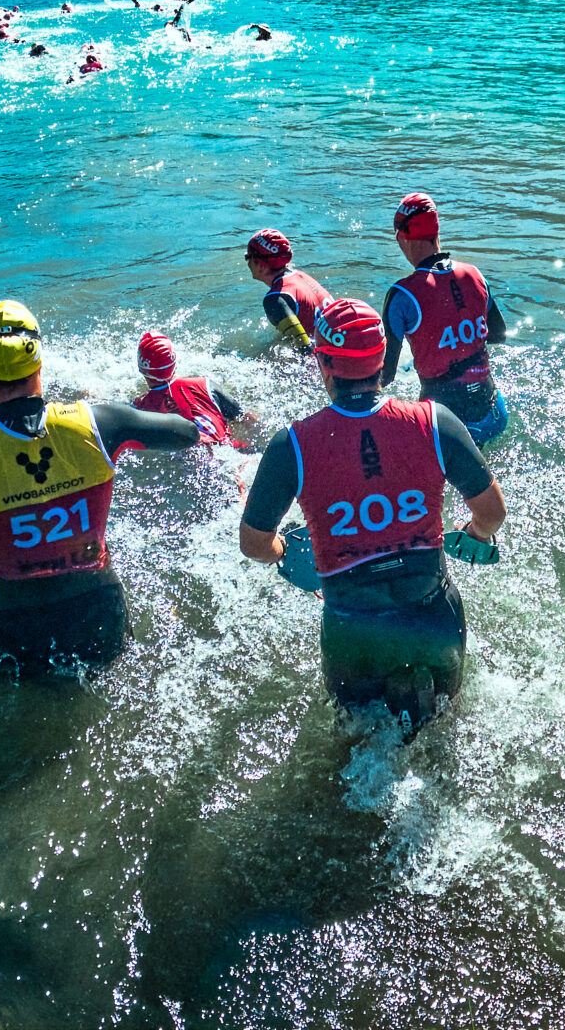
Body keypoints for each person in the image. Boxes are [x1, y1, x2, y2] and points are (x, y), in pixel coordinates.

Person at [0, 300, 205, 679]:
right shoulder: (97, 423)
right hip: (98, 613)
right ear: (39, 361)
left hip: (17, 628)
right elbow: (185, 432)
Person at [237, 296, 506, 732]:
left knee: (359, 748)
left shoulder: (293, 444)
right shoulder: (434, 421)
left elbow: (254, 545)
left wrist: (284, 550)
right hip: (432, 613)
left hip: (353, 628)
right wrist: (473, 532)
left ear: (324, 363)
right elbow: (492, 512)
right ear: (383, 360)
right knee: (446, 737)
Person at [379, 192, 510, 445]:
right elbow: (498, 334)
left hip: (442, 427)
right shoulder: (475, 275)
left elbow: (386, 376)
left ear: (401, 237)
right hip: (493, 415)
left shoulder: (402, 295)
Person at [122, 329, 248, 450]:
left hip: (195, 460)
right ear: (174, 360)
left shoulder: (140, 408)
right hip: (231, 448)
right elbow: (245, 418)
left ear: (142, 368)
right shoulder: (204, 384)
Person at [243, 228, 329, 348]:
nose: (247, 263)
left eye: (247, 257)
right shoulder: (301, 277)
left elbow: (304, 347)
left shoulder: (275, 299)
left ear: (260, 265)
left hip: (327, 358)